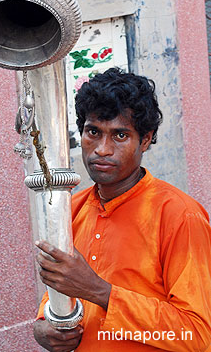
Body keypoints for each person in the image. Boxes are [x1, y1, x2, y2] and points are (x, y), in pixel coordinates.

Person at [33, 68, 211, 352]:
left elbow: (198, 335)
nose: (102, 149)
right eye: (93, 132)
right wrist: (44, 326)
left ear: (145, 139)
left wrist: (99, 292)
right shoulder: (71, 210)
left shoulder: (179, 216)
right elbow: (56, 295)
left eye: (119, 135)